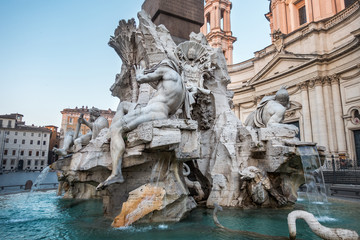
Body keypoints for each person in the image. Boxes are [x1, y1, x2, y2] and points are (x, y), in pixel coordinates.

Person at [96, 59, 186, 190]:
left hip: (152, 110)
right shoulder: (181, 86)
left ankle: (116, 173)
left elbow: (141, 79)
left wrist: (140, 72)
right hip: (162, 114)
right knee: (123, 114)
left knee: (117, 129)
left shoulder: (165, 70)